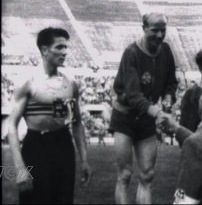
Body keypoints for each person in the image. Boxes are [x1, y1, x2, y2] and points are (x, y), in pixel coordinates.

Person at [7, 27, 92, 204]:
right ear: (45, 50)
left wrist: (84, 160)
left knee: (63, 199)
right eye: (59, 47)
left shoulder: (71, 84)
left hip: (63, 144)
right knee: (35, 199)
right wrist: (20, 168)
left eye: (66, 48)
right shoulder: (28, 82)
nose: (65, 52)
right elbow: (11, 125)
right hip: (36, 146)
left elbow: (76, 123)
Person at [110, 12, 178, 204]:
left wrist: (167, 99)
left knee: (147, 175)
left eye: (163, 30)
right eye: (154, 30)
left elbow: (171, 82)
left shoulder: (165, 50)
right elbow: (133, 97)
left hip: (147, 118)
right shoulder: (131, 53)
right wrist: (158, 113)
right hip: (125, 118)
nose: (159, 35)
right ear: (144, 29)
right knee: (124, 174)